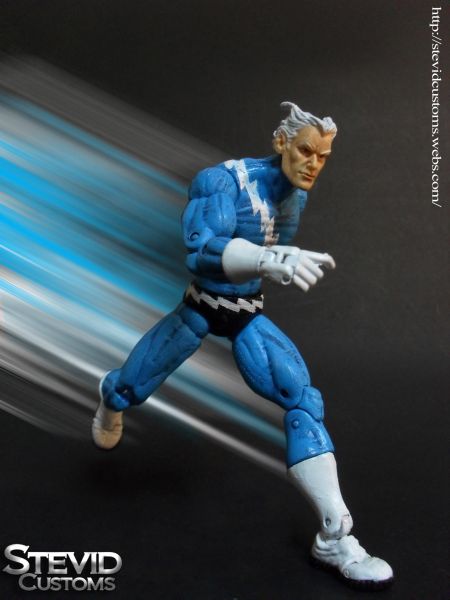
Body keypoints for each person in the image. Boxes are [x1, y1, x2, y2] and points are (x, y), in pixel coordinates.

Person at [92, 102, 393, 589]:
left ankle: (335, 535)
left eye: (323, 157)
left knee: (302, 400)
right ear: (281, 143)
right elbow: (200, 250)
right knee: (127, 389)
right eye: (306, 151)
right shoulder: (222, 181)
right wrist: (266, 258)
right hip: (199, 307)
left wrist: (271, 261)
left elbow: (266, 257)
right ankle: (109, 400)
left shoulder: (295, 195)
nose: (313, 164)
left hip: (245, 314)